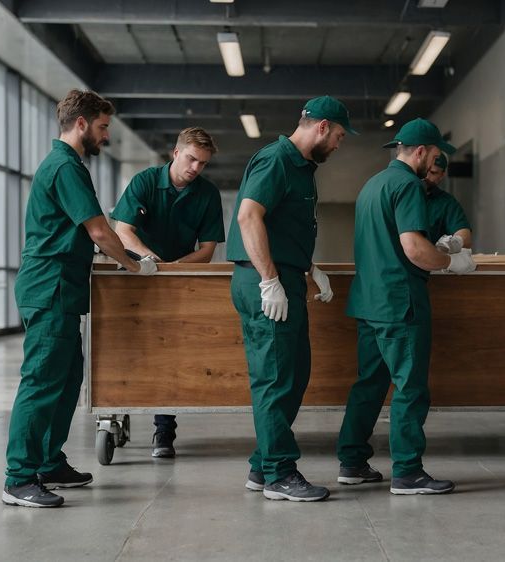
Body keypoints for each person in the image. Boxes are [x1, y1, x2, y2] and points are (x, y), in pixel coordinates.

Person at [2, 90, 151, 509]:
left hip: (61, 290)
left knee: (68, 379)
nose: (106, 137)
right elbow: (100, 231)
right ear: (82, 123)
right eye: (103, 127)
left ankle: (49, 461)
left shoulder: (69, 166)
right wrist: (134, 265)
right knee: (42, 381)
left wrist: (126, 256)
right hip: (48, 289)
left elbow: (90, 234)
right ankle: (18, 478)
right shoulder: (65, 166)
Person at [226, 96, 355, 502]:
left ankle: (261, 466)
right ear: (320, 127)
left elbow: (283, 228)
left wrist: (308, 267)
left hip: (287, 279)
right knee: (275, 379)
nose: (338, 144)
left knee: (294, 375)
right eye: (337, 136)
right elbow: (249, 216)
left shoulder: (302, 168)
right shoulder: (277, 159)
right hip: (266, 284)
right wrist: (269, 280)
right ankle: (280, 473)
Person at [337, 118, 476, 495]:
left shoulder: (372, 185)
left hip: (369, 302)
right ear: (420, 151)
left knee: (369, 384)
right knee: (410, 388)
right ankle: (408, 472)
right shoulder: (408, 186)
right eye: (434, 154)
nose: (435, 162)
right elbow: (414, 248)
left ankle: (351, 462)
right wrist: (452, 261)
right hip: (400, 302)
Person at [110, 127, 225, 458]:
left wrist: (172, 268)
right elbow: (123, 231)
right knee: (128, 347)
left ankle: (164, 431)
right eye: (191, 159)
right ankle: (116, 409)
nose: (195, 168)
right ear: (175, 153)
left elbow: (206, 251)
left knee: (169, 351)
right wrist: (150, 261)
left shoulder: (207, 194)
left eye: (202, 164)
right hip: (135, 277)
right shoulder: (144, 182)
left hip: (177, 281)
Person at [422, 152, 473, 253]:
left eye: (433, 172)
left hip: (431, 261)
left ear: (442, 175)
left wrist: (449, 245)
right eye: (424, 171)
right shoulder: (404, 195)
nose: (426, 176)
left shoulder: (447, 203)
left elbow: (465, 235)